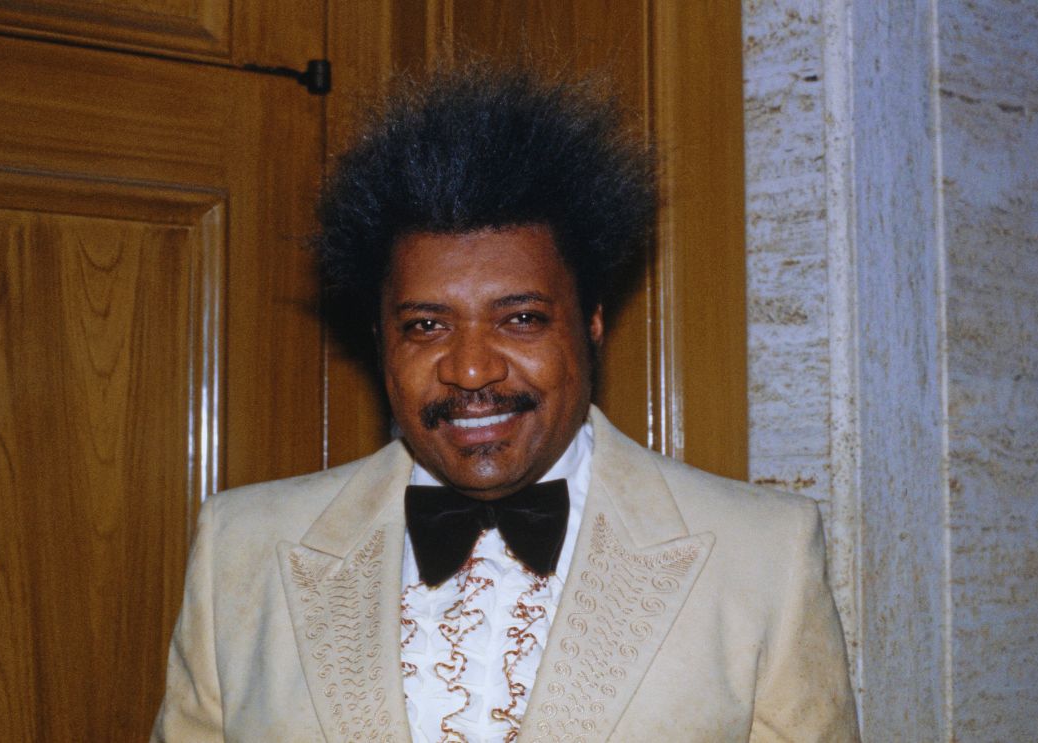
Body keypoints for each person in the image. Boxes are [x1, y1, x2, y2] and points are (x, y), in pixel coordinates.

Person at [151, 67, 859, 742]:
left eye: (519, 318)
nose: (468, 367)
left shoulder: (761, 554)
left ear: (590, 325)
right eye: (426, 325)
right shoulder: (241, 548)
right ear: (381, 343)